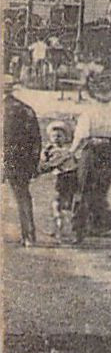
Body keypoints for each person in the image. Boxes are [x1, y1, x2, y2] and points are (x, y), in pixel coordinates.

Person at [70, 100, 111, 236]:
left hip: (93, 150)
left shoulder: (88, 114)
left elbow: (80, 136)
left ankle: (80, 226)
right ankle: (96, 224)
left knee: (85, 187)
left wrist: (71, 152)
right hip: (108, 150)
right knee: (101, 187)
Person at [3, 76, 42, 246]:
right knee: (23, 196)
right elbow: (36, 140)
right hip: (19, 158)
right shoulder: (26, 110)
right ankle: (29, 236)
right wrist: (33, 163)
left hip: (6, 155)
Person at [38, 120, 80, 243]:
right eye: (53, 136)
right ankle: (57, 229)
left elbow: (52, 164)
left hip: (67, 177)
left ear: (65, 138)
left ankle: (63, 230)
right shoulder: (51, 149)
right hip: (60, 177)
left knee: (61, 203)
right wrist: (44, 154)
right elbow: (45, 160)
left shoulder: (64, 151)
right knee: (57, 203)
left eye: (59, 136)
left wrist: (41, 168)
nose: (56, 139)